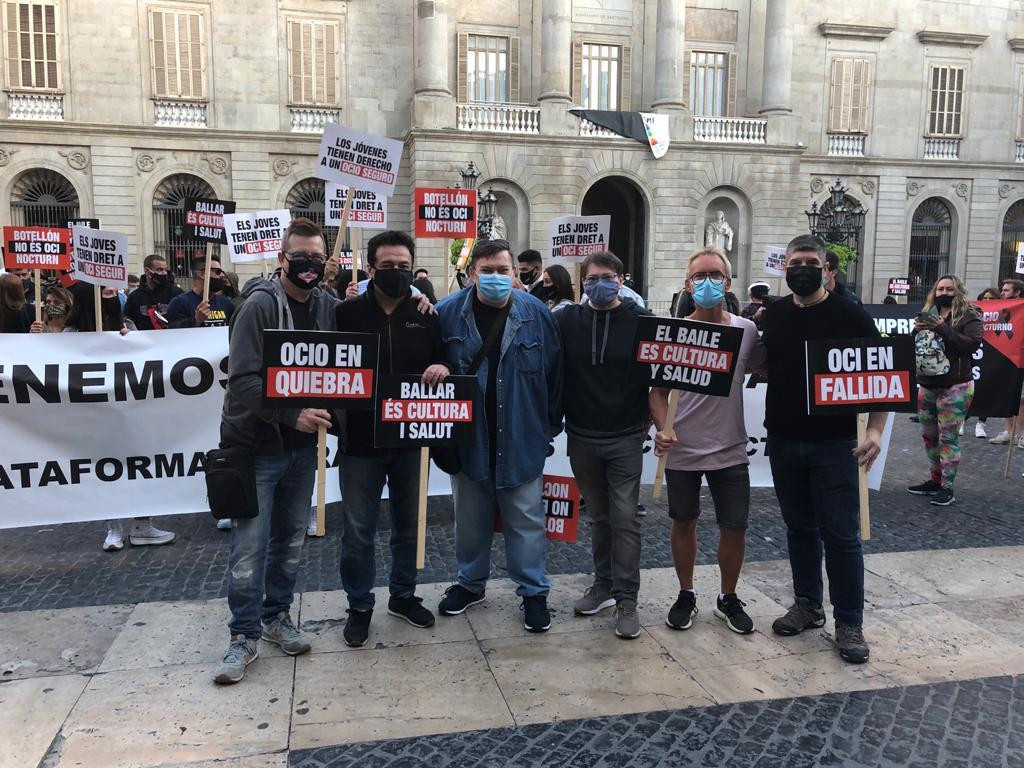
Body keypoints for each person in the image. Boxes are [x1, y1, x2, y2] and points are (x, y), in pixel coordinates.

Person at [214, 217, 342, 685]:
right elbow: (244, 380)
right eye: (300, 257)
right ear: (282, 259)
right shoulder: (259, 306)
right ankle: (241, 637)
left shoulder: (328, 307)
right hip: (257, 446)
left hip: (302, 451)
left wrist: (418, 296)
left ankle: (276, 617)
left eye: (316, 257)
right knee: (249, 547)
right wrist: (292, 415)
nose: (309, 265)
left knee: (289, 543)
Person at [761, 234, 886, 664]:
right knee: (799, 529)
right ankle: (808, 604)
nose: (802, 268)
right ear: (785, 268)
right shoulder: (773, 315)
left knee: (842, 536)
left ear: (827, 270)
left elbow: (883, 374)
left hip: (836, 445)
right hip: (783, 440)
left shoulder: (851, 316)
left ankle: (849, 622)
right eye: (795, 261)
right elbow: (762, 364)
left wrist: (875, 431)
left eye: (810, 261)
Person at [435, 240, 563, 632]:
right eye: (487, 270)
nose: (495, 276)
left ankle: (534, 591)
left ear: (515, 273)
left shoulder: (536, 314)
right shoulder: (446, 314)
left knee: (526, 520)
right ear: (472, 272)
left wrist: (547, 429)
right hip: (468, 439)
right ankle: (470, 583)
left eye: (502, 270)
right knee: (469, 520)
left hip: (521, 437)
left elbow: (556, 376)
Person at [333, 230, 450, 647]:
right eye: (388, 267)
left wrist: (442, 367)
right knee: (358, 531)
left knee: (408, 526)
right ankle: (359, 605)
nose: (397, 273)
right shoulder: (344, 314)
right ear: (370, 269)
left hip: (410, 441)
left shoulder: (427, 314)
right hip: (360, 445)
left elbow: (446, 360)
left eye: (404, 266)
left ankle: (402, 596)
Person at [651, 246, 766, 637]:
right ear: (687, 284)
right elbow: (656, 393)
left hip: (731, 449)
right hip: (681, 450)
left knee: (734, 526)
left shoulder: (746, 331)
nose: (707, 282)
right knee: (683, 522)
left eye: (715, 275)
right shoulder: (675, 332)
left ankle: (728, 597)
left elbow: (763, 366)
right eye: (699, 276)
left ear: (728, 282)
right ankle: (686, 592)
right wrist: (661, 427)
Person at [556, 251, 649, 639]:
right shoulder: (565, 320)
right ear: (581, 283)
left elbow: (669, 365)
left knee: (625, 517)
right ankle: (604, 584)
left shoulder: (643, 321)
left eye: (607, 276)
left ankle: (627, 598)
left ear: (621, 279)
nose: (599, 283)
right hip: (581, 434)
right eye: (592, 278)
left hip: (626, 435)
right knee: (599, 517)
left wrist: (660, 423)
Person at [907, 276, 983, 506]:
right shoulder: (928, 311)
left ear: (958, 290)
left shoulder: (970, 314)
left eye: (949, 288)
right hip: (928, 384)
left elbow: (972, 344)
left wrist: (941, 327)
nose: (944, 292)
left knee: (947, 438)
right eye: (940, 288)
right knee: (930, 437)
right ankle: (935, 480)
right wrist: (917, 331)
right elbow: (917, 346)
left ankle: (947, 488)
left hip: (956, 385)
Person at [989, 279, 1024, 447]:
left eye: (1006, 290)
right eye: (1002, 290)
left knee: (1021, 399)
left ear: (1017, 293)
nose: (1002, 293)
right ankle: (1009, 432)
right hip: (1004, 358)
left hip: (1020, 359)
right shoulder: (1000, 310)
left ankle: (1023, 435)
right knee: (1007, 395)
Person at [166, 256, 236, 328]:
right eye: (218, 272)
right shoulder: (179, 303)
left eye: (222, 272)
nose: (222, 275)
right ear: (202, 274)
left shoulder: (226, 304)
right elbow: (174, 333)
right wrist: (196, 320)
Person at [124, 254, 183, 330]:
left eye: (165, 269)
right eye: (159, 270)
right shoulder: (134, 297)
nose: (164, 273)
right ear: (147, 271)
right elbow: (129, 322)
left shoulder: (176, 293)